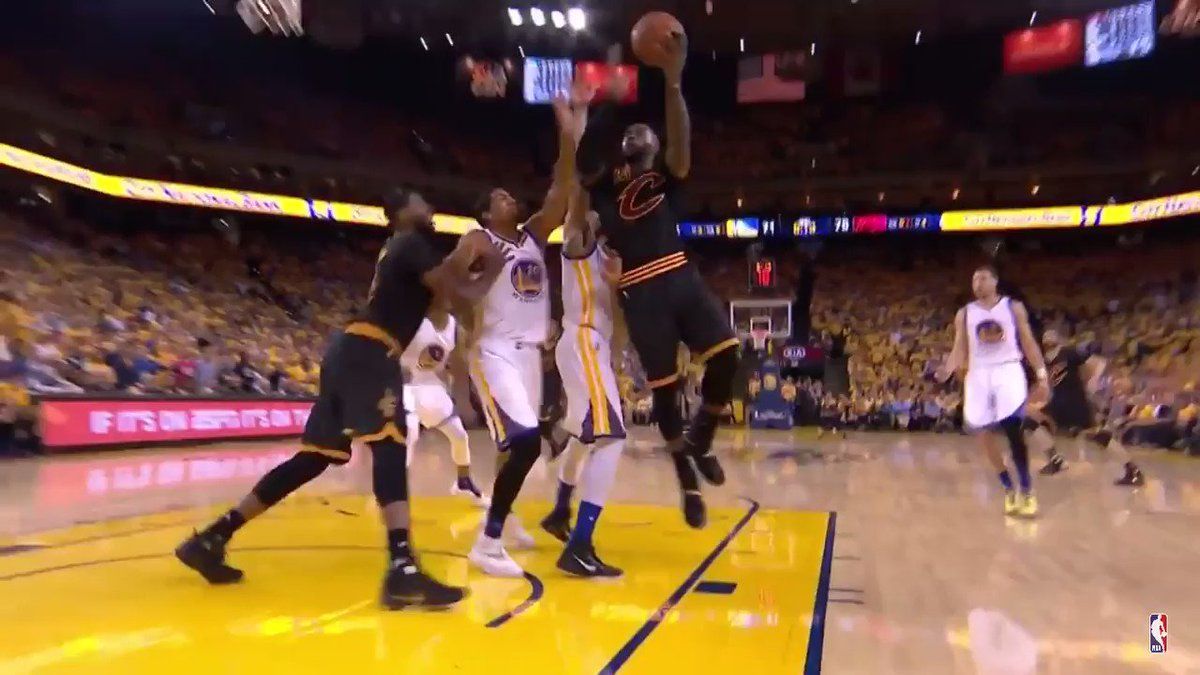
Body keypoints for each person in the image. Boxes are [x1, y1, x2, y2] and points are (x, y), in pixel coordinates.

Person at [174, 188, 503, 610]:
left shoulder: (404, 252)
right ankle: (402, 569)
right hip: (370, 351)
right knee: (389, 445)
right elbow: (453, 290)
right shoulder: (410, 242)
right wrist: (471, 259)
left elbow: (450, 304)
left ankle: (213, 537)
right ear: (401, 212)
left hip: (349, 351)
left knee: (313, 458)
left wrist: (476, 267)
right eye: (424, 203)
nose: (432, 208)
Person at [576, 39, 738, 529]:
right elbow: (582, 166)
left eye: (648, 131)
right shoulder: (605, 183)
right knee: (665, 394)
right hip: (640, 289)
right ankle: (686, 478)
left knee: (729, 355)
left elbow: (683, 143)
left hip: (678, 270)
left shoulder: (668, 175)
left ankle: (703, 436)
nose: (642, 133)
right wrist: (606, 103)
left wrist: (672, 81)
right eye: (635, 130)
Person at [464, 91, 583, 578]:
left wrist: (568, 135)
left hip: (533, 355)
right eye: (500, 197)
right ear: (487, 213)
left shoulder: (533, 234)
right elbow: (457, 289)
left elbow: (562, 188)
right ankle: (487, 541)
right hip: (493, 351)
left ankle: (503, 513)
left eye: (509, 195)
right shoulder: (477, 241)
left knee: (515, 447)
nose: (510, 198)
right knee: (527, 442)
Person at [539, 186, 626, 578]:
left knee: (584, 435)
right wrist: (578, 145)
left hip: (593, 348)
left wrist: (616, 286)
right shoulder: (578, 245)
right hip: (583, 341)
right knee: (612, 437)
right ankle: (580, 545)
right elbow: (576, 210)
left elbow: (620, 328)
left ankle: (560, 511)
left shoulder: (611, 262)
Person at [937, 264, 1049, 518]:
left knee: (1013, 428)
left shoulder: (1013, 307)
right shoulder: (964, 313)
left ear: (995, 282)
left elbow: (1028, 342)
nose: (977, 283)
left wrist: (1042, 375)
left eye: (983, 278)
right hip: (978, 373)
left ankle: (1027, 491)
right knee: (982, 432)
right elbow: (959, 347)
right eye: (974, 279)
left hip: (1008, 368)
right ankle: (1009, 489)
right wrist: (948, 367)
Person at [399, 300, 489, 506]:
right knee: (410, 432)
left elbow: (454, 363)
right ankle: (395, 488)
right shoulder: (411, 321)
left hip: (431, 386)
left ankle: (463, 482)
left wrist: (462, 397)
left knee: (459, 435)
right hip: (405, 384)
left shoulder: (452, 325)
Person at [1029, 328, 1145, 486]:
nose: (1047, 337)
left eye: (1051, 335)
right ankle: (1055, 460)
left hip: (1076, 402)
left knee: (1100, 437)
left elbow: (1099, 363)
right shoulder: (1046, 360)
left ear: (1059, 338)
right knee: (1030, 422)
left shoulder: (1069, 352)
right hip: (1058, 403)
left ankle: (1133, 470)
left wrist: (1093, 381)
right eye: (1045, 335)